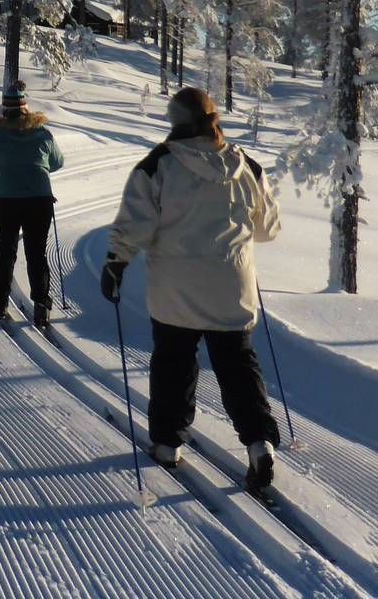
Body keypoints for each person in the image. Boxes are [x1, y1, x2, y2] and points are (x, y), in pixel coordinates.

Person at [101, 86, 283, 492]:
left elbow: (136, 223)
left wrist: (116, 262)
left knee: (174, 365)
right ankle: (260, 444)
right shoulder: (245, 164)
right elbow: (268, 229)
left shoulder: (158, 164)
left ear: (176, 122)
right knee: (238, 367)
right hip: (231, 287)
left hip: (175, 290)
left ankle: (167, 444)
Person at [0, 81, 65, 326]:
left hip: (6, 201)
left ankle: (0, 303)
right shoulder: (43, 132)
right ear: (26, 107)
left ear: (5, 108)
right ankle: (41, 305)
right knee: (36, 252)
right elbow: (57, 163)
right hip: (39, 200)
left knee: (6, 249)